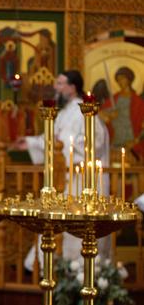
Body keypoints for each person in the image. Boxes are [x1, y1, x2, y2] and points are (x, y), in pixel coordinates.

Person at [15, 70, 111, 267]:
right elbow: (52, 138)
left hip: (80, 178)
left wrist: (68, 147)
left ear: (72, 87)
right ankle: (55, 265)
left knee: (75, 224)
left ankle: (75, 267)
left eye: (60, 83)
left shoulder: (84, 110)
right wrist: (32, 142)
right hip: (63, 178)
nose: (56, 88)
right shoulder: (65, 112)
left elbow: (96, 141)